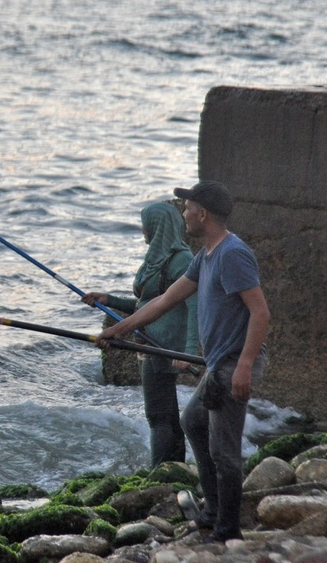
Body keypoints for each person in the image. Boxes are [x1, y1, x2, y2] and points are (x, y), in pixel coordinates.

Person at [95, 181, 270, 544]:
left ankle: (226, 528)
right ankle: (212, 512)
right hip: (220, 361)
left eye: (187, 208)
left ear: (202, 214)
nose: (184, 214)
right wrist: (120, 330)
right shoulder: (204, 255)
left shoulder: (232, 254)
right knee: (193, 422)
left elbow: (260, 312)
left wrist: (244, 366)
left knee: (224, 451)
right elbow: (164, 300)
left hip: (233, 362)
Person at [82, 201, 199, 469]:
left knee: (158, 416)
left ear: (158, 227)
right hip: (147, 343)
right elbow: (146, 305)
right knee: (167, 414)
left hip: (162, 346)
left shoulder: (181, 261)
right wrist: (108, 299)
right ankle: (174, 469)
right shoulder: (158, 258)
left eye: (146, 225)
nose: (142, 230)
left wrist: (190, 351)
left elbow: (194, 306)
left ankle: (159, 473)